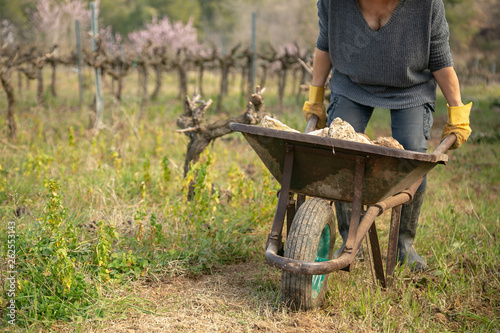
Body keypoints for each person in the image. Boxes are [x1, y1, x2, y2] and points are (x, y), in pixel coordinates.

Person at [303, 0, 472, 272]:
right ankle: (350, 243)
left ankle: (403, 247)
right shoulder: (334, 3)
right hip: (351, 83)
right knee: (341, 151)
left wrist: (458, 112)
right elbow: (325, 45)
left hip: (410, 87)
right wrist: (315, 99)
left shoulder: (427, 5)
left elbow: (440, 60)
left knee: (413, 156)